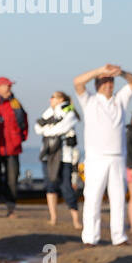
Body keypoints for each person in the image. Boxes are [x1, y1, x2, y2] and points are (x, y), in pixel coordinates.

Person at [73, 63, 132, 246]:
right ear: (97, 84)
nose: (108, 84)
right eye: (104, 81)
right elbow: (77, 82)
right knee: (93, 198)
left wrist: (121, 73)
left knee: (118, 199)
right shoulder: (90, 101)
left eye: (110, 81)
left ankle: (119, 237)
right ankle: (90, 238)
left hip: (117, 157)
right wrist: (99, 71)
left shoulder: (120, 100)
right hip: (96, 158)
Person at [34, 91, 81, 229]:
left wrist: (47, 130)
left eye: (53, 97)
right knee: (50, 186)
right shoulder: (49, 112)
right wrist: (48, 128)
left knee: (67, 187)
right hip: (48, 155)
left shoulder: (70, 113)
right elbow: (37, 127)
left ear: (61, 99)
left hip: (65, 156)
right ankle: (53, 217)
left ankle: (76, 220)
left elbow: (61, 128)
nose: (50, 99)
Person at [0, 77, 28, 217]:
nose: (9, 88)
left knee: (12, 179)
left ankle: (11, 208)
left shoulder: (15, 103)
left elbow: (24, 121)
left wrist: (21, 138)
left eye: (10, 86)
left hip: (13, 147)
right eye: (7, 86)